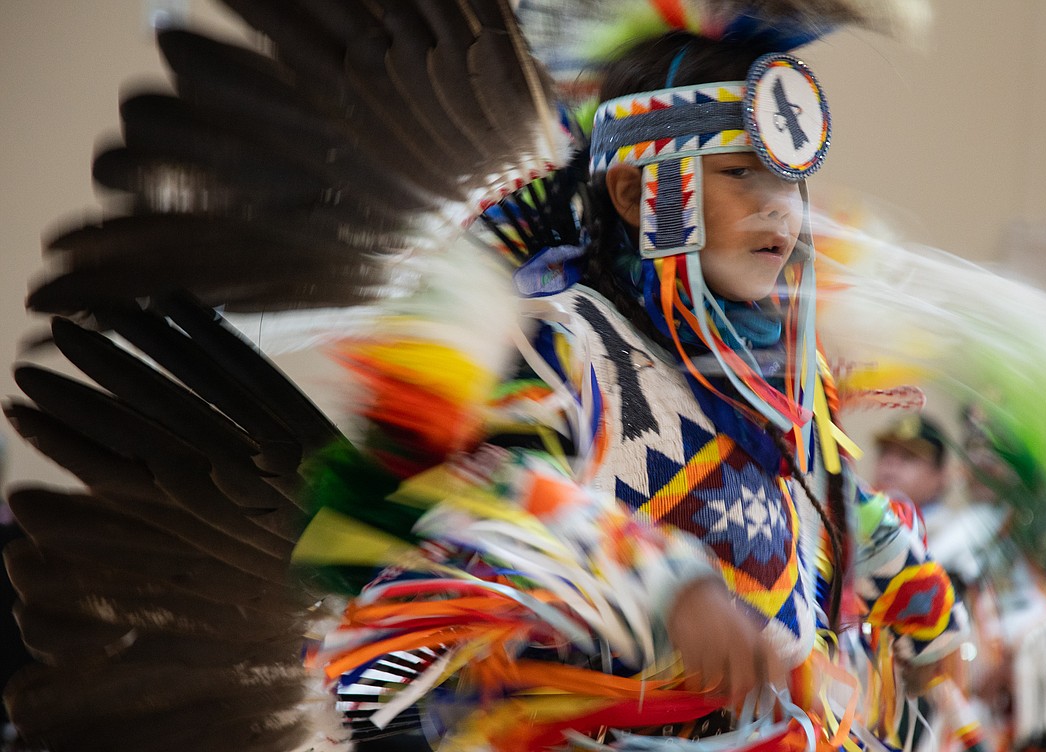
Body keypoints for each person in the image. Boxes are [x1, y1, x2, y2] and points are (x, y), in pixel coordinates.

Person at [307, 15, 971, 750]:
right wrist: (668, 586)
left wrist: (922, 600)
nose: (778, 202)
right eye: (739, 170)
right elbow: (487, 495)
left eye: (789, 174)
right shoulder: (572, 342)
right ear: (634, 195)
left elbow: (821, 503)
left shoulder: (782, 373)